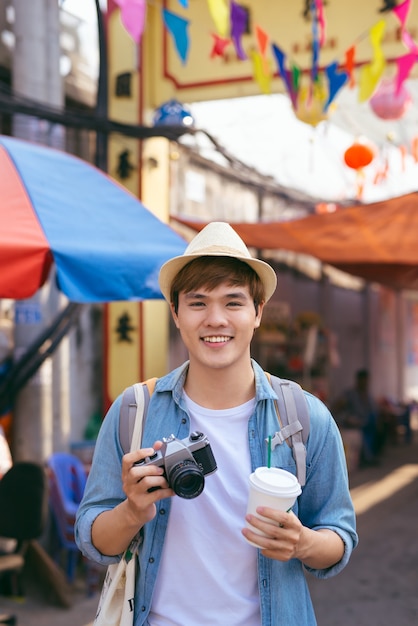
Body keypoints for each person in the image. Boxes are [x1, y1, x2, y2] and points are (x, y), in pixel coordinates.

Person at [75, 222, 358, 626]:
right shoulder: (134, 411)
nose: (215, 319)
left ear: (258, 312)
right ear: (175, 313)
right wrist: (132, 512)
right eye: (197, 303)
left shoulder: (304, 416)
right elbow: (92, 538)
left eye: (233, 302)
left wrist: (303, 542)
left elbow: (339, 537)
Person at [332, 368, 380, 467]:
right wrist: (348, 418)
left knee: (376, 425)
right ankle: (368, 458)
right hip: (353, 422)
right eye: (363, 381)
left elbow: (372, 410)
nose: (365, 383)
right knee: (361, 434)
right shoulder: (350, 394)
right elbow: (336, 407)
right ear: (358, 380)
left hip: (367, 422)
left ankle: (371, 455)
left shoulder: (367, 395)